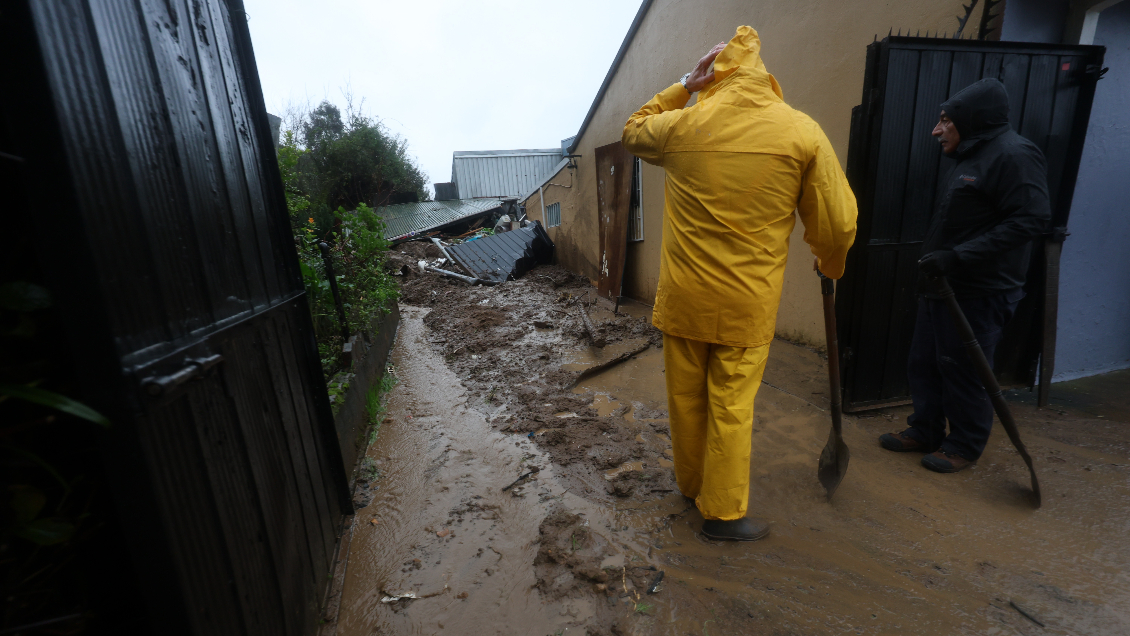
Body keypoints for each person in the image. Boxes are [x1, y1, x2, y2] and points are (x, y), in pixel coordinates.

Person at [622, 27, 857, 541]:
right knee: (731, 402)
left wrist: (686, 83)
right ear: (765, 75)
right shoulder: (800, 132)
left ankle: (691, 485)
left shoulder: (684, 125)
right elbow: (837, 224)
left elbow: (633, 129)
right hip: (746, 306)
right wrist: (829, 264)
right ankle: (723, 514)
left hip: (684, 299)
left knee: (686, 397)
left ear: (719, 74)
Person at [879, 78, 1051, 473]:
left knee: (965, 369)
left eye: (945, 121)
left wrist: (959, 256)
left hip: (980, 290)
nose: (937, 130)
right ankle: (924, 429)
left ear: (971, 120)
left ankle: (964, 445)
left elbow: (1032, 217)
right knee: (924, 362)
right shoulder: (971, 157)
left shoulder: (1014, 155)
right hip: (942, 284)